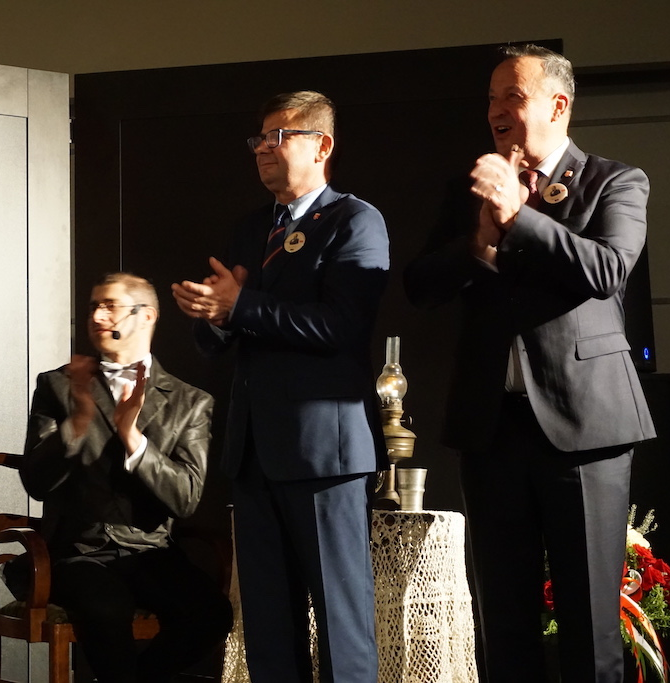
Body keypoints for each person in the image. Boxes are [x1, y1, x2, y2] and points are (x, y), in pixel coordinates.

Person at [403, 45, 656, 683]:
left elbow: (607, 269)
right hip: (492, 429)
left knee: (590, 626)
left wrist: (519, 215)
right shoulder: (470, 190)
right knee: (505, 623)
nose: (496, 111)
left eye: (512, 96)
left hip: (586, 429)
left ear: (557, 105)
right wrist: (480, 242)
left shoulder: (615, 182)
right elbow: (420, 285)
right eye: (491, 99)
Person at [172, 91, 390, 683]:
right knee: (268, 630)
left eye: (280, 136)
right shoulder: (251, 228)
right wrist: (214, 316)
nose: (264, 149)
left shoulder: (355, 221)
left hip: (324, 454)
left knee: (341, 627)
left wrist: (241, 305)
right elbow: (218, 338)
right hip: (254, 454)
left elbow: (341, 326)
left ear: (322, 146)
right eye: (259, 139)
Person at [15, 272, 233, 683]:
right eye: (93, 307)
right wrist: (77, 424)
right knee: (106, 607)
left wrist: (134, 439)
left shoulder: (189, 402)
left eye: (109, 306)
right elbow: (36, 484)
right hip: (77, 551)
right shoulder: (58, 385)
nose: (97, 316)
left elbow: (185, 499)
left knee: (211, 614)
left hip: (151, 552)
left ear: (146, 315)